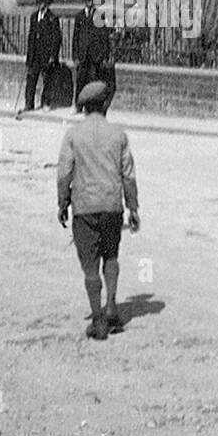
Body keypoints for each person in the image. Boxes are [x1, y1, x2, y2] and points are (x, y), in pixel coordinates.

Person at [57, 81, 140, 340]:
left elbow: (64, 174)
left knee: (90, 265)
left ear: (83, 107)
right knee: (111, 256)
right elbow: (128, 175)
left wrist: (63, 202)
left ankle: (98, 318)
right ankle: (112, 307)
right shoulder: (118, 134)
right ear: (106, 104)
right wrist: (133, 208)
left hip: (84, 207)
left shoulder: (73, 134)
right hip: (112, 206)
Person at [72, 0, 115, 113]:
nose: (89, 2)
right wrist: (74, 55)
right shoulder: (79, 16)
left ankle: (89, 107)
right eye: (87, 0)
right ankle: (78, 106)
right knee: (80, 81)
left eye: (91, 0)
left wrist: (102, 55)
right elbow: (75, 37)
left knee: (91, 83)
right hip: (82, 55)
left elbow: (104, 37)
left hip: (94, 55)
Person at [23, 0, 63, 113]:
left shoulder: (52, 18)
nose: (40, 6)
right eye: (39, 3)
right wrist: (29, 57)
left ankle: (46, 103)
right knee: (31, 79)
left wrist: (53, 56)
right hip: (35, 55)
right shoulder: (34, 17)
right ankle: (29, 104)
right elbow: (31, 37)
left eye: (43, 3)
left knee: (47, 80)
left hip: (46, 55)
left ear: (46, 3)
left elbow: (56, 39)